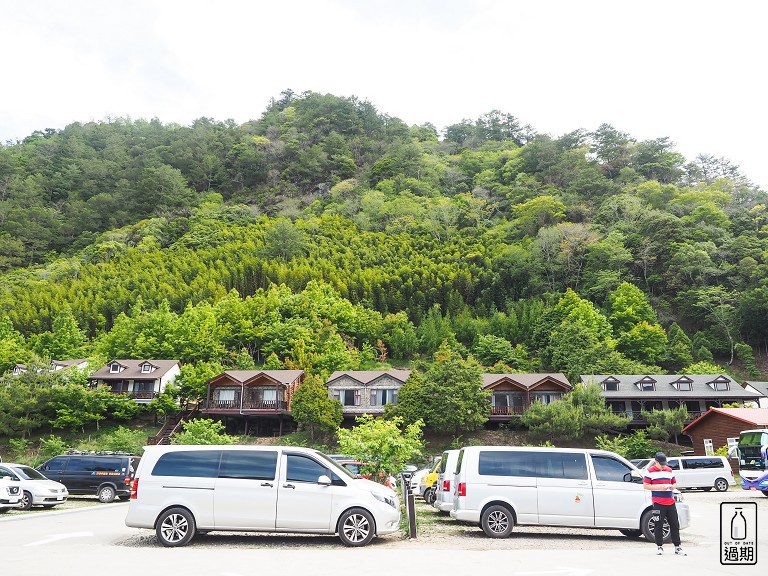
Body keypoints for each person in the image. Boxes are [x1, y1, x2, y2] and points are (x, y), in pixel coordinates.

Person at [643, 452, 686, 556]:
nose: (663, 466)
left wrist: (672, 487)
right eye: (661, 464)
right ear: (656, 462)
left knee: (674, 524)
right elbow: (646, 485)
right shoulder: (649, 471)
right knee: (658, 524)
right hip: (658, 502)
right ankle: (659, 546)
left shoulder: (669, 470)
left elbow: (674, 483)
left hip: (670, 501)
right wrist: (659, 488)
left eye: (664, 464)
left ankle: (677, 547)